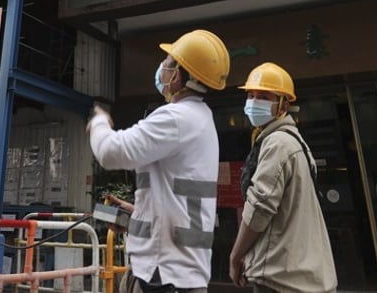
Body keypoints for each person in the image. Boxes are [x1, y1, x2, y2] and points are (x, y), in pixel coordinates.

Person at [88, 29, 231, 293]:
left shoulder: (175, 118)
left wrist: (98, 121)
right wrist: (136, 212)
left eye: (167, 63)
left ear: (177, 75)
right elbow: (177, 200)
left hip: (163, 275)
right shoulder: (202, 119)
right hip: (181, 271)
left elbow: (110, 152)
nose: (162, 69)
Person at [229, 63, 337, 293]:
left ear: (284, 105)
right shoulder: (291, 141)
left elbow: (259, 207)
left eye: (264, 96)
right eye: (251, 95)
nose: (254, 102)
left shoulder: (278, 143)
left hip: (280, 277)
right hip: (295, 274)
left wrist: (236, 255)